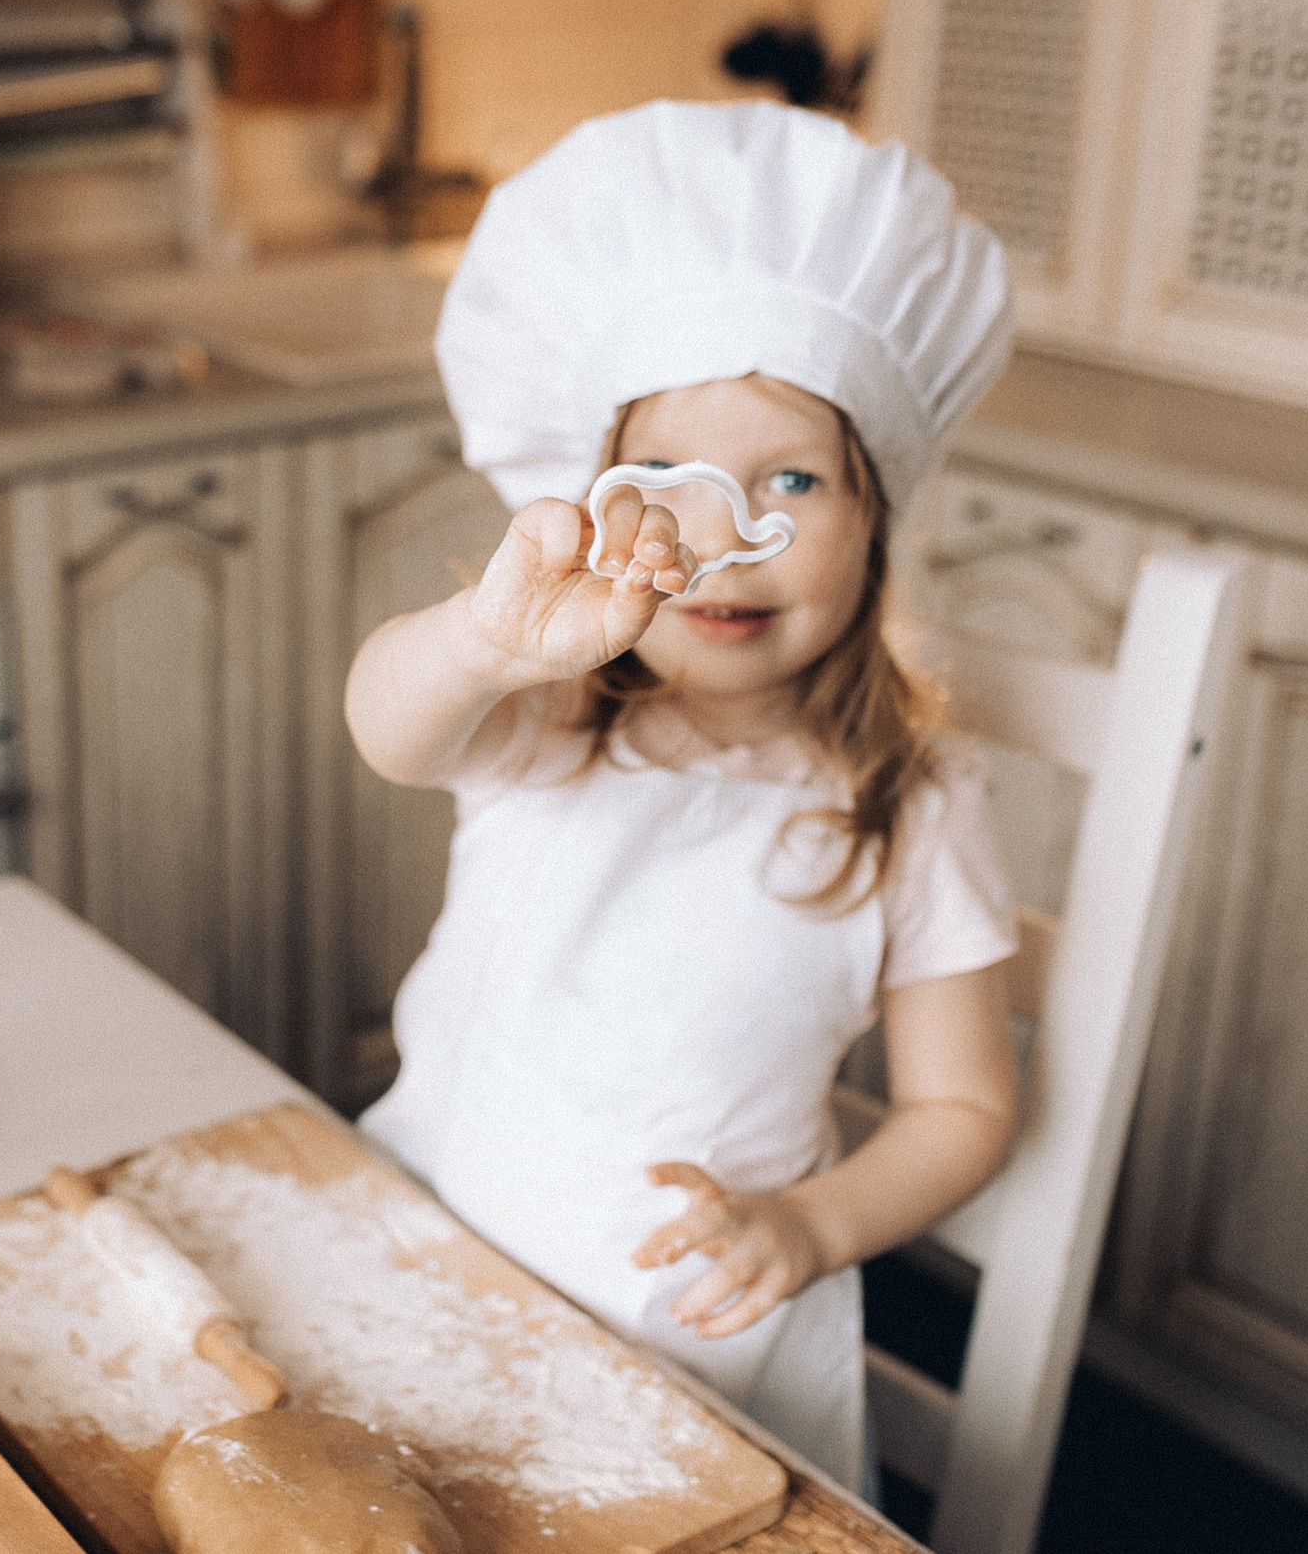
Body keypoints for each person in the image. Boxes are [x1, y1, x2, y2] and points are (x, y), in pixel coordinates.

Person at [347, 100, 1021, 1492]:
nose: (721, 542)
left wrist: (813, 1227)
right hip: (425, 1265)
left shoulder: (913, 800)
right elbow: (384, 725)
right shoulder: (540, 716)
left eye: (791, 477)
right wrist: (481, 638)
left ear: (874, 517)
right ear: (596, 508)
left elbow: (963, 1110)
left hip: (700, 1366)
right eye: (665, 480)